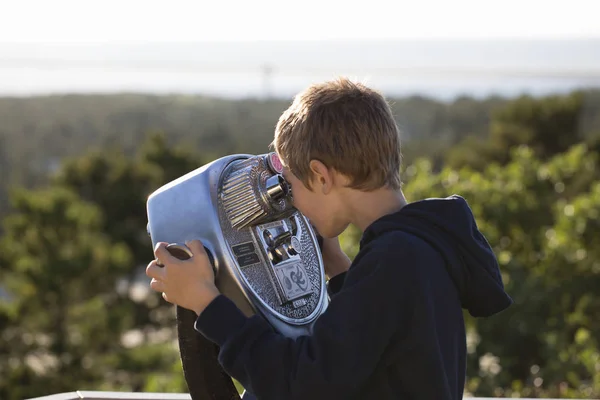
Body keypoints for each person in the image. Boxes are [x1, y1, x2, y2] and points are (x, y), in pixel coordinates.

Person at [146, 77, 513, 399]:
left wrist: (206, 302)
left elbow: (302, 384)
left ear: (321, 176)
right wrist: (338, 268)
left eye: (290, 186)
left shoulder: (393, 259)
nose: (292, 203)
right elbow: (370, 348)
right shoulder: (424, 245)